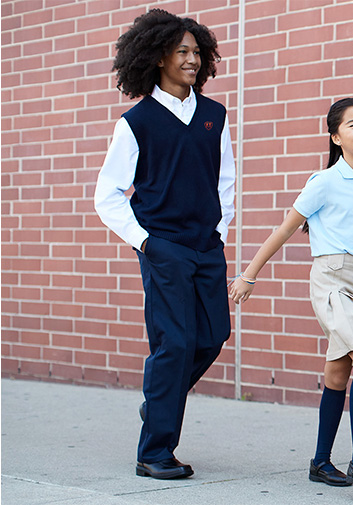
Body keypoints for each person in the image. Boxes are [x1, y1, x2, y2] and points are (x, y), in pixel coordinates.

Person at [229, 98, 353, 487]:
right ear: (335, 136)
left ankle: (320, 462)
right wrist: (249, 275)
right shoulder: (324, 182)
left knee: (338, 371)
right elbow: (284, 230)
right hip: (331, 281)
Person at [94, 9, 234, 480]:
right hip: (164, 248)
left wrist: (221, 232)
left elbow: (226, 180)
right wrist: (147, 243)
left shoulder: (215, 115)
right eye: (182, 52)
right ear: (158, 58)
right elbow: (107, 196)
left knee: (213, 336)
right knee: (174, 344)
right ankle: (154, 452)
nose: (193, 60)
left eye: (197, 52)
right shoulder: (136, 122)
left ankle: (159, 401)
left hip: (207, 246)